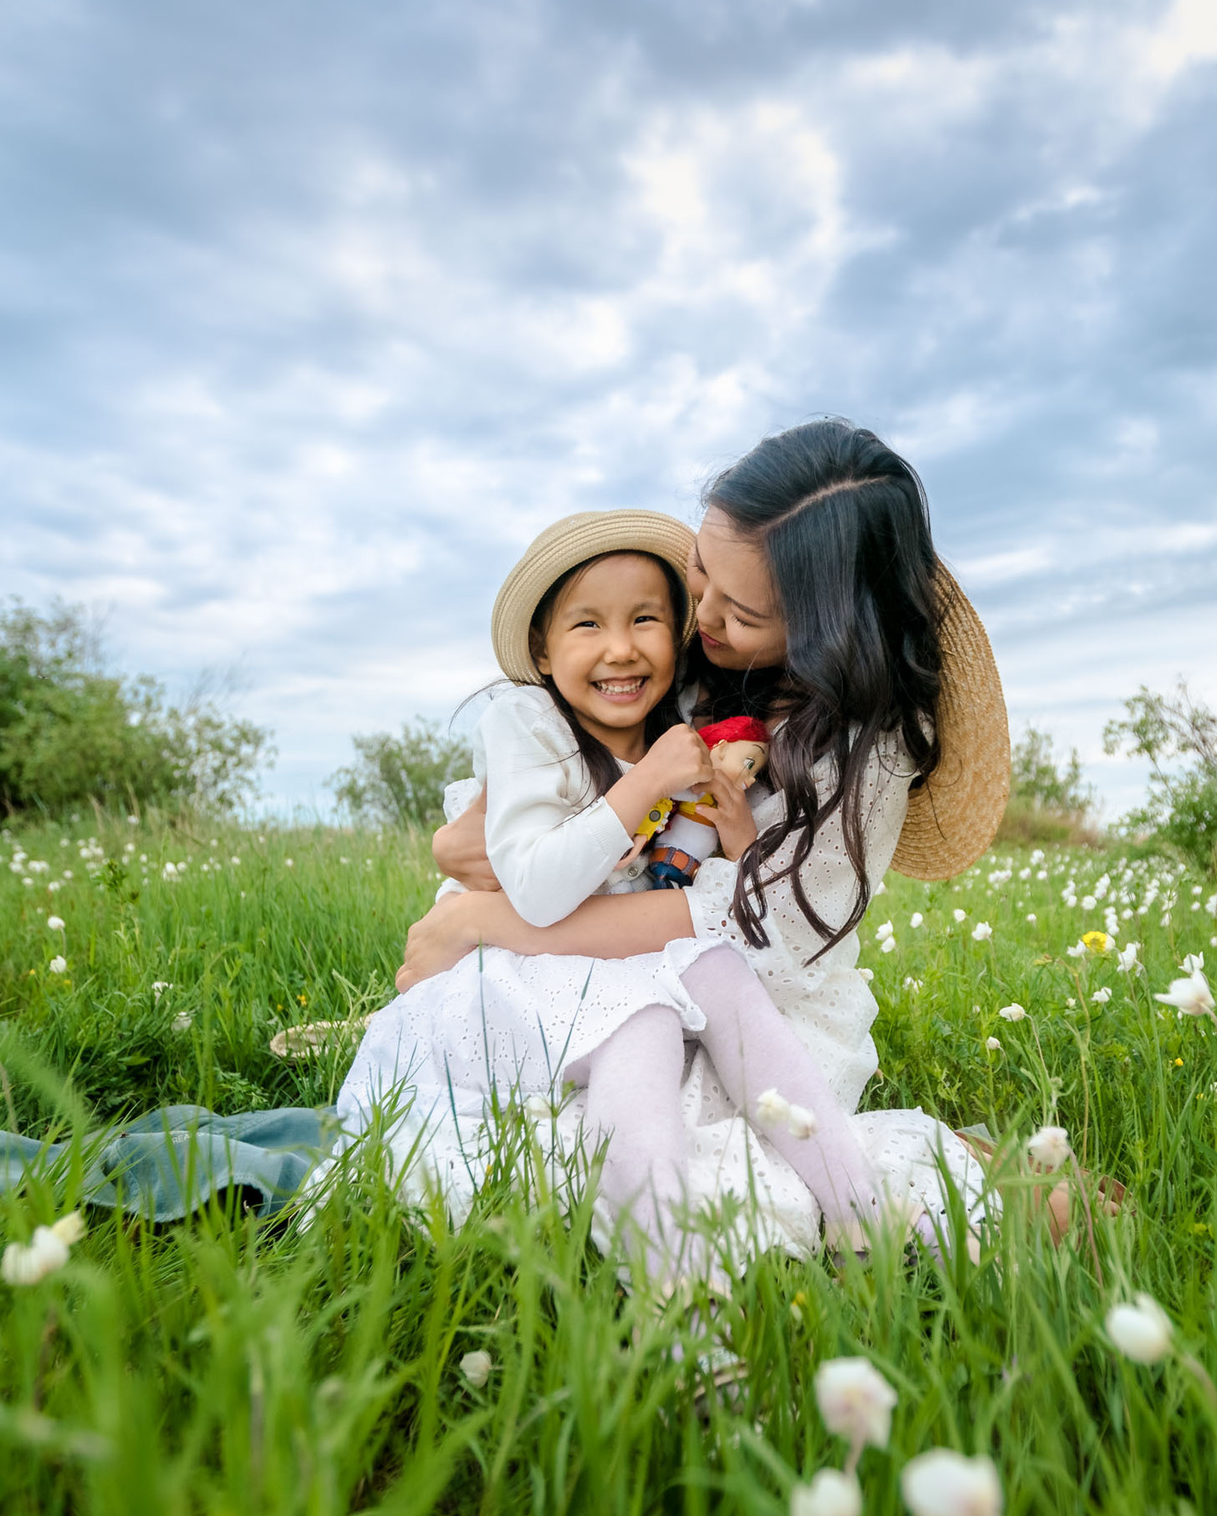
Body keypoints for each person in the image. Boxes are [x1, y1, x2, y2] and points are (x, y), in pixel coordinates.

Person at [399, 418, 1013, 1265]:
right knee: (569, 1106)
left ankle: (911, 1193)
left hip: (759, 992)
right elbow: (493, 829)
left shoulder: (866, 749)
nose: (706, 620)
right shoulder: (668, 646)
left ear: (827, 627)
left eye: (746, 612)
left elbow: (741, 930)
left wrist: (485, 923)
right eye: (701, 576)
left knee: (663, 1151)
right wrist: (475, 862)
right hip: (615, 941)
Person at [328, 508, 894, 1287]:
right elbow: (537, 886)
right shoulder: (528, 723)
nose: (620, 646)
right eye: (587, 623)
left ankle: (860, 1215)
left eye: (646, 620)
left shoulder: (679, 723)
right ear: (541, 649)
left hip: (626, 954)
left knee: (721, 979)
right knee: (643, 1022)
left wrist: (726, 823)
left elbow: (712, 886)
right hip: (514, 964)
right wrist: (649, 782)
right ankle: (677, 1295)